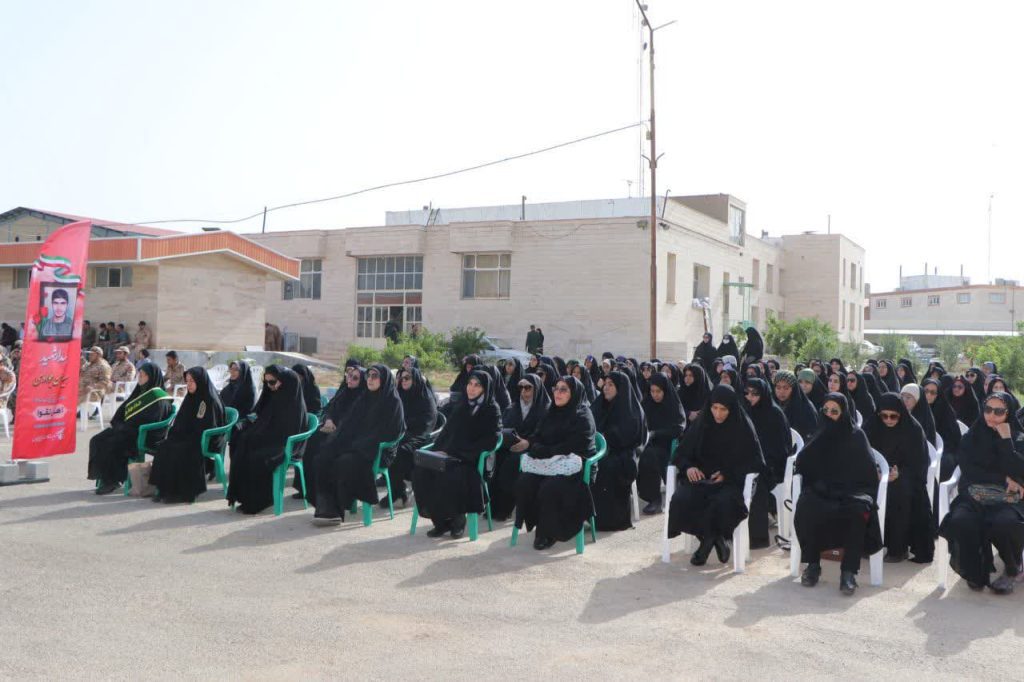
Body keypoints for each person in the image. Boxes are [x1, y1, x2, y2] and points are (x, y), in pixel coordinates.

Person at [793, 393, 883, 596]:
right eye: (826, 410)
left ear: (844, 413)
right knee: (807, 505)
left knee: (859, 510)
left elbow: (868, 472)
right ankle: (812, 565)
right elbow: (803, 463)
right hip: (823, 490)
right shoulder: (819, 433)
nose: (829, 415)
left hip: (852, 492)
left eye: (834, 411)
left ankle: (848, 572)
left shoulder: (856, 436)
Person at [668, 384, 766, 565]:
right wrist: (689, 467)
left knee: (722, 502)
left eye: (723, 409)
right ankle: (717, 540)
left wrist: (727, 474)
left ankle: (706, 544)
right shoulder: (702, 422)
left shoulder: (742, 426)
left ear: (731, 409)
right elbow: (681, 454)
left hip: (733, 482)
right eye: (714, 408)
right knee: (682, 498)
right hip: (702, 480)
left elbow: (754, 462)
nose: (718, 414)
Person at [938, 392, 1024, 593]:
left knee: (1005, 522)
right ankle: (974, 572)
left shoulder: (1018, 439)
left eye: (999, 411)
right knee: (961, 520)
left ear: (1009, 413)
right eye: (988, 409)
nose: (991, 415)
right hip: (973, 495)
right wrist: (1003, 478)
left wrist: (1005, 440)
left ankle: (1012, 568)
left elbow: (1019, 469)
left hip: (1006, 499)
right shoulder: (971, 437)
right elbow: (970, 470)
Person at [412, 369, 501, 538]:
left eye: (477, 385)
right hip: (451, 455)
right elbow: (447, 433)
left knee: (451, 475)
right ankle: (440, 522)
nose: (471, 388)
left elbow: (490, 440)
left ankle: (457, 520)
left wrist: (458, 453)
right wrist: (438, 451)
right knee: (421, 472)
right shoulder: (463, 404)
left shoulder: (491, 409)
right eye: (470, 384)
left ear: (485, 388)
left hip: (473, 460)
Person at [312, 364, 405, 525]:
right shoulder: (365, 398)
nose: (370, 379)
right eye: (368, 375)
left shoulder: (392, 401)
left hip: (379, 451)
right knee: (323, 457)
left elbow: (390, 433)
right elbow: (349, 424)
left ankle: (336, 510)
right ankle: (326, 508)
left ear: (384, 379)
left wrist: (357, 444)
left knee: (344, 462)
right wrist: (337, 441)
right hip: (357, 446)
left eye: (375, 376)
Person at [514, 375, 598, 549]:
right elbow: (538, 436)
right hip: (549, 464)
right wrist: (532, 445)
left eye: (563, 389)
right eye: (556, 389)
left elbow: (574, 446)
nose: (558, 393)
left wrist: (545, 451)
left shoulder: (583, 415)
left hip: (576, 468)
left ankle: (547, 533)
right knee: (525, 481)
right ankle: (539, 524)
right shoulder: (550, 411)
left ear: (574, 393)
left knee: (549, 487)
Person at [226, 366, 308, 514]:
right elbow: (264, 420)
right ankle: (243, 497)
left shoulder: (292, 401)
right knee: (241, 445)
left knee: (256, 457)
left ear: (284, 382)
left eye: (273, 382)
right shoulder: (274, 396)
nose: (270, 386)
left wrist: (259, 435)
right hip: (272, 441)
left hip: (287, 445)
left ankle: (259, 501)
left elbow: (286, 432)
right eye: (267, 382)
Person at [864, 393, 933, 564]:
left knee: (900, 490)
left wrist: (899, 473)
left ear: (901, 414)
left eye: (893, 416)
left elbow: (919, 462)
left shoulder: (913, 429)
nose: (888, 420)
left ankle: (898, 548)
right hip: (875, 475)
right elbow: (862, 455)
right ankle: (868, 545)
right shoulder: (872, 427)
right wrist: (875, 472)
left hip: (905, 476)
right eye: (884, 416)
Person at [87, 363, 173, 494]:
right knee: (97, 440)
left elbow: (152, 421)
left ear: (152, 377)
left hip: (144, 435)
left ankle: (114, 480)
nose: (140, 378)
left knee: (113, 443)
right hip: (128, 430)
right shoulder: (140, 392)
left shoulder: (159, 398)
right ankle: (104, 476)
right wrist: (120, 425)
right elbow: (122, 412)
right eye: (139, 374)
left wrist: (126, 427)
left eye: (143, 375)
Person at [148, 367, 226, 503]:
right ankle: (164, 489)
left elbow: (207, 426)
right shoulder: (190, 398)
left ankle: (182, 493)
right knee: (164, 447)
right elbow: (182, 421)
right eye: (187, 381)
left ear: (200, 382)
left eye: (192, 381)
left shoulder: (208, 400)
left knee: (180, 450)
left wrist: (186, 435)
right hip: (188, 436)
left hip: (205, 439)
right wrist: (177, 433)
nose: (188, 384)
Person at [299, 365, 366, 503]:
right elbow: (329, 408)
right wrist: (328, 420)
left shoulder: (364, 399)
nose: (350, 380)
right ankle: (309, 489)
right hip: (332, 431)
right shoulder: (344, 393)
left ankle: (329, 494)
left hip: (349, 439)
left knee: (325, 452)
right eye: (349, 376)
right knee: (311, 441)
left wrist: (338, 429)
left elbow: (358, 424)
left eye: (355, 378)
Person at [490, 372, 551, 520]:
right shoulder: (513, 407)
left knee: (512, 462)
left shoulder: (546, 409)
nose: (524, 391)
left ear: (536, 389)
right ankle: (493, 507)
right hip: (511, 446)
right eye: (521, 387)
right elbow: (502, 426)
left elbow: (546, 435)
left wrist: (528, 443)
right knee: (497, 456)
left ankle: (504, 509)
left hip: (534, 449)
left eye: (528, 387)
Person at [590, 371, 646, 531]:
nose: (605, 388)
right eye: (605, 384)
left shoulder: (630, 410)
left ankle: (610, 520)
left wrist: (606, 437)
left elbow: (628, 438)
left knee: (607, 466)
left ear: (620, 388)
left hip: (623, 454)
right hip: (599, 452)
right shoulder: (600, 404)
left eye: (611, 385)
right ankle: (588, 515)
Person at [743, 377, 792, 546]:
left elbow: (780, 449)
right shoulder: (747, 411)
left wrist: (758, 459)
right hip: (752, 460)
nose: (750, 397)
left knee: (755, 478)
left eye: (755, 394)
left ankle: (757, 538)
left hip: (773, 466)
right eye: (747, 393)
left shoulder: (774, 414)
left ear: (763, 394)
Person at [385, 366, 438, 508]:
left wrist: (404, 430)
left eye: (407, 378)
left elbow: (427, 424)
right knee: (385, 447)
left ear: (415, 380)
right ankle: (397, 490)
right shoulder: (400, 395)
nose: (403, 381)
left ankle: (399, 492)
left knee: (398, 451)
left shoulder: (425, 397)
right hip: (403, 434)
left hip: (422, 437)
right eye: (401, 378)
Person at [637, 373, 686, 515]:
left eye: (658, 391)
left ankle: (655, 500)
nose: (655, 395)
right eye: (652, 391)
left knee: (650, 456)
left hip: (667, 446)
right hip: (647, 444)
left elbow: (678, 428)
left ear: (665, 390)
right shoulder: (647, 403)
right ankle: (649, 496)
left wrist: (656, 434)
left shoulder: (673, 405)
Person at [923, 378, 962, 480]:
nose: (928, 395)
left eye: (933, 392)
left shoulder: (946, 412)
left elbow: (953, 439)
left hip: (945, 450)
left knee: (946, 462)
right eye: (926, 391)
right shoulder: (915, 410)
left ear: (938, 394)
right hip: (920, 449)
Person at [773, 370, 819, 441]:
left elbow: (810, 434)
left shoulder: (805, 408)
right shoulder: (773, 405)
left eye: (786, 388)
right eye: (778, 388)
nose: (781, 391)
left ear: (793, 389)